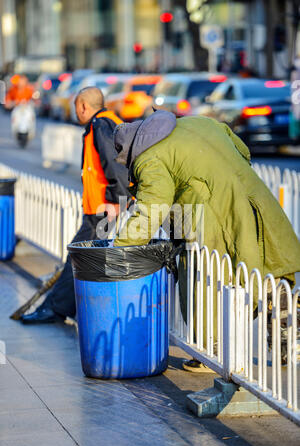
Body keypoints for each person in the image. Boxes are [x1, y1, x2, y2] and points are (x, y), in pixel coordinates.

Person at [112, 110, 300, 371]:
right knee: (260, 256)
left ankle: (210, 348)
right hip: (250, 193)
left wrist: (120, 248)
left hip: (211, 215)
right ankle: (277, 299)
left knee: (203, 278)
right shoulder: (199, 122)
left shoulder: (148, 158)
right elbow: (242, 149)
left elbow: (152, 207)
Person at [22, 87, 129, 324]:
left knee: (79, 257)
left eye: (76, 108)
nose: (75, 112)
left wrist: (114, 201)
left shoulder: (101, 125)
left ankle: (56, 308)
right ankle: (63, 307)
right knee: (84, 257)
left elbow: (115, 167)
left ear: (83, 106)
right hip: (101, 207)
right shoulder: (107, 123)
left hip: (102, 209)